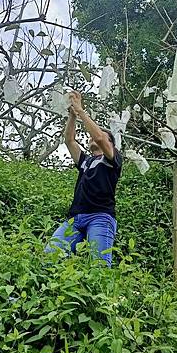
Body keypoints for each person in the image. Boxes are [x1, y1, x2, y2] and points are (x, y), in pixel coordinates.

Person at [44, 90, 123, 267]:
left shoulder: (112, 159)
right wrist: (72, 115)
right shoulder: (86, 161)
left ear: (110, 144)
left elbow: (100, 137)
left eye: (103, 137)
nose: (92, 138)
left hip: (100, 217)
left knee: (99, 264)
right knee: (51, 255)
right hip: (75, 218)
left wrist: (81, 111)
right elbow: (69, 141)